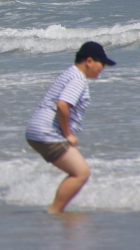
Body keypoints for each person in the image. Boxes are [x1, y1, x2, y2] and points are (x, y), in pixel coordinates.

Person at [25, 41, 116, 213]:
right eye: (102, 64)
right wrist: (68, 134)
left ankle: (55, 212)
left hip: (37, 130)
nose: (103, 69)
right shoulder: (78, 79)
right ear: (89, 61)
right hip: (47, 132)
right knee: (81, 173)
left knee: (78, 172)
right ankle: (54, 213)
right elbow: (62, 105)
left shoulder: (69, 73)